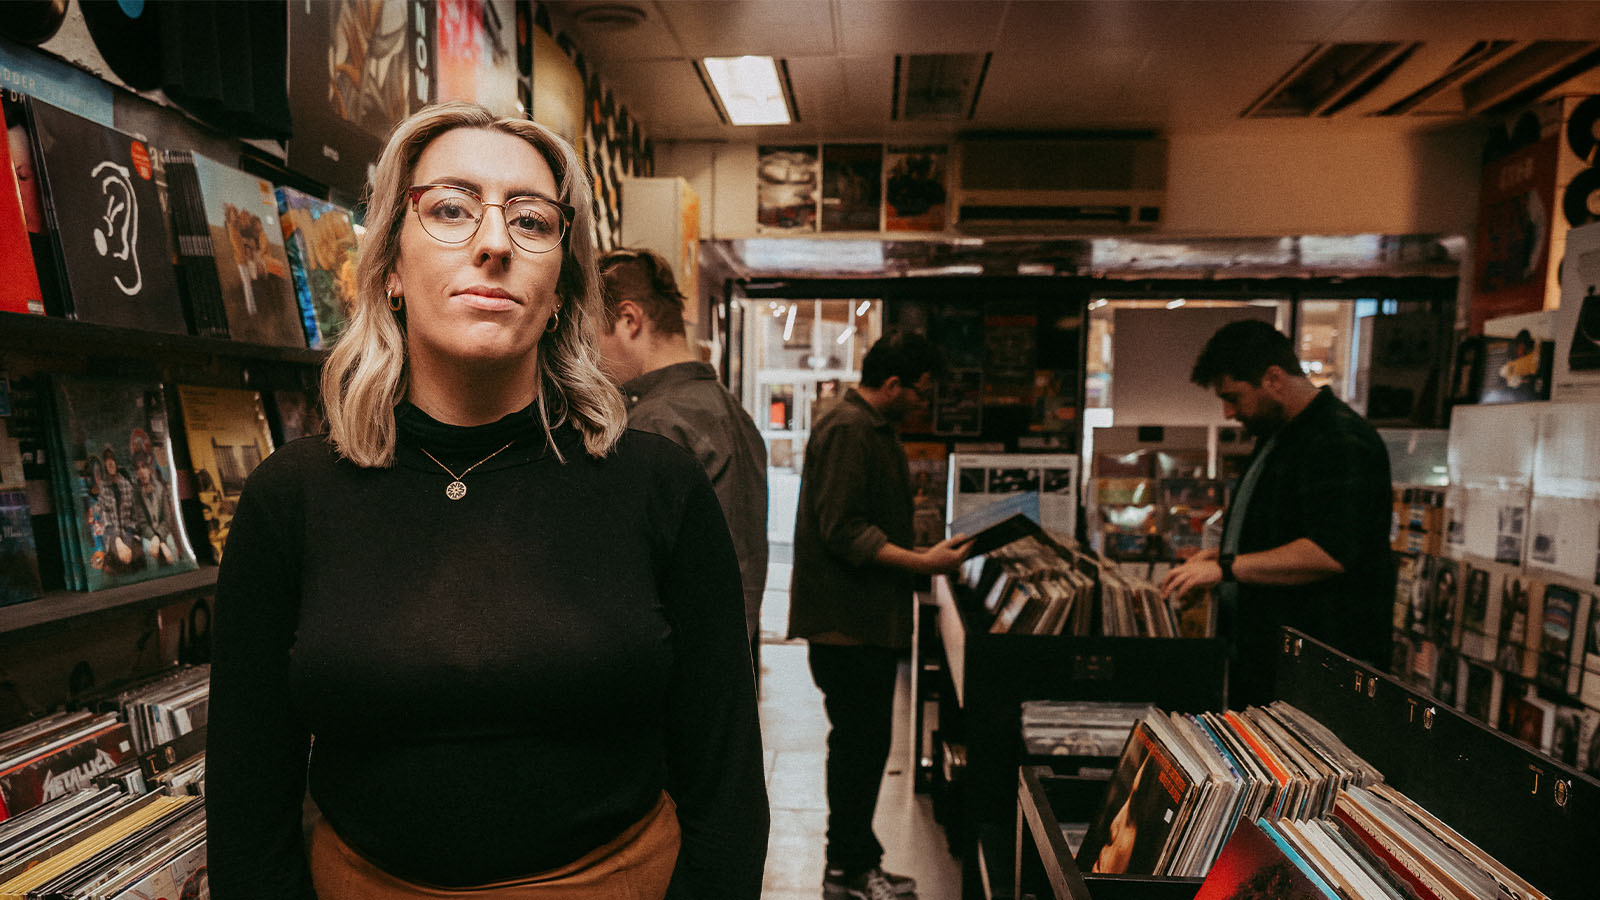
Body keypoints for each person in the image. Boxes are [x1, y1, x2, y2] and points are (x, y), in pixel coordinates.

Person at [206, 102, 767, 900]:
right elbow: (246, 811)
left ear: (563, 286)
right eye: (450, 208)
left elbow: (728, 795)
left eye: (533, 222)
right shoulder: (289, 500)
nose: (495, 242)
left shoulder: (659, 487)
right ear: (391, 270)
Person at [787, 331, 972, 900]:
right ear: (892, 384)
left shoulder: (867, 428)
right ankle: (847, 870)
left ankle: (857, 861)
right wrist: (922, 561)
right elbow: (842, 530)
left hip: (864, 621)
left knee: (865, 750)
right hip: (848, 625)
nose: (923, 404)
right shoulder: (849, 429)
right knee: (859, 752)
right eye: (920, 392)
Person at [1161, 320, 1393, 707]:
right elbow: (1279, 532)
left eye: (1234, 396)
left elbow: (1330, 552)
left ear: (1273, 378)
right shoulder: (1280, 434)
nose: (1229, 412)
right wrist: (1220, 558)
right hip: (1272, 665)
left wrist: (1228, 567)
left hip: (1317, 675)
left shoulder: (1338, 439)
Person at [595, 248, 769, 684]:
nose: (589, 356)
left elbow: (633, 580)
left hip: (680, 670)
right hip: (725, 659)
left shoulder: (656, 423)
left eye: (590, 335)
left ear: (629, 320)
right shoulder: (730, 410)